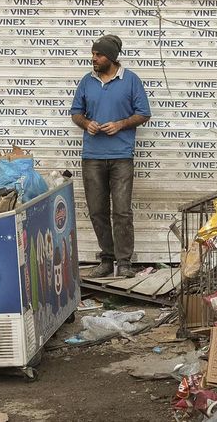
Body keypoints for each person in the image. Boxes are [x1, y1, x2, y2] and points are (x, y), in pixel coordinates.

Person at [69, 34, 151, 278]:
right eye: (93, 54)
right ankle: (107, 259)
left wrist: (121, 124)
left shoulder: (131, 80)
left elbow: (143, 113)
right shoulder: (87, 81)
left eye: (99, 55)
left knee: (122, 211)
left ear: (112, 58)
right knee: (97, 210)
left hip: (121, 156)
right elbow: (76, 113)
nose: (93, 58)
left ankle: (124, 262)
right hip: (92, 156)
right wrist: (87, 124)